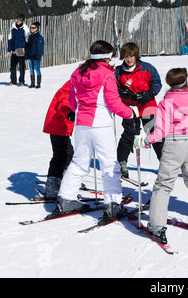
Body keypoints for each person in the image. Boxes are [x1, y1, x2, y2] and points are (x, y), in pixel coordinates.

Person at [134, 68, 188, 244]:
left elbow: (160, 131)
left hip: (173, 145)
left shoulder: (166, 102)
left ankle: (156, 225)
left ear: (169, 83)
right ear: (186, 80)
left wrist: (146, 140)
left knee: (164, 185)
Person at [54, 40, 138, 221]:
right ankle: (113, 204)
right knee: (109, 164)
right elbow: (113, 103)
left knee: (79, 162)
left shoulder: (77, 72)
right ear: (106, 57)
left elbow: (71, 101)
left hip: (82, 124)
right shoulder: (107, 74)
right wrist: (130, 113)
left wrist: (79, 112)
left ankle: (66, 199)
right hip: (101, 125)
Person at [114, 42, 163, 178]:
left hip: (148, 106)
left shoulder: (147, 68)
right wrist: (121, 93)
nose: (129, 59)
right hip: (129, 107)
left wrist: (149, 93)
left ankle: (164, 163)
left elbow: (157, 83)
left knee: (154, 134)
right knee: (129, 133)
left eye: (132, 56)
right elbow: (113, 86)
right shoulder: (119, 71)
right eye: (126, 56)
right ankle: (122, 162)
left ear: (136, 56)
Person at [34, 80, 74, 200]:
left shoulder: (78, 84)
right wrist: (69, 113)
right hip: (57, 124)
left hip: (63, 126)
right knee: (61, 155)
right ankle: (53, 186)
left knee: (69, 154)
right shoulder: (71, 85)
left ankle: (66, 180)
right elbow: (64, 102)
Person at [6, 13, 29, 87]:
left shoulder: (25, 28)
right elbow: (9, 38)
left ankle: (21, 81)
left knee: (21, 67)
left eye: (20, 20)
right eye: (18, 19)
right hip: (14, 50)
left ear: (23, 21)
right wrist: (9, 49)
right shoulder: (13, 27)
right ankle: (13, 81)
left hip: (21, 49)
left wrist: (26, 50)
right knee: (12, 66)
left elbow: (27, 40)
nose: (18, 21)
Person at [26, 22, 44, 88]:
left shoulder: (39, 37)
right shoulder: (30, 36)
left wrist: (38, 56)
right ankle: (32, 83)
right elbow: (28, 47)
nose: (31, 29)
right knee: (31, 69)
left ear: (37, 28)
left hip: (36, 57)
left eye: (33, 28)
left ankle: (38, 84)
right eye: (31, 28)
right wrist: (26, 55)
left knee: (37, 69)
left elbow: (40, 48)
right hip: (30, 56)